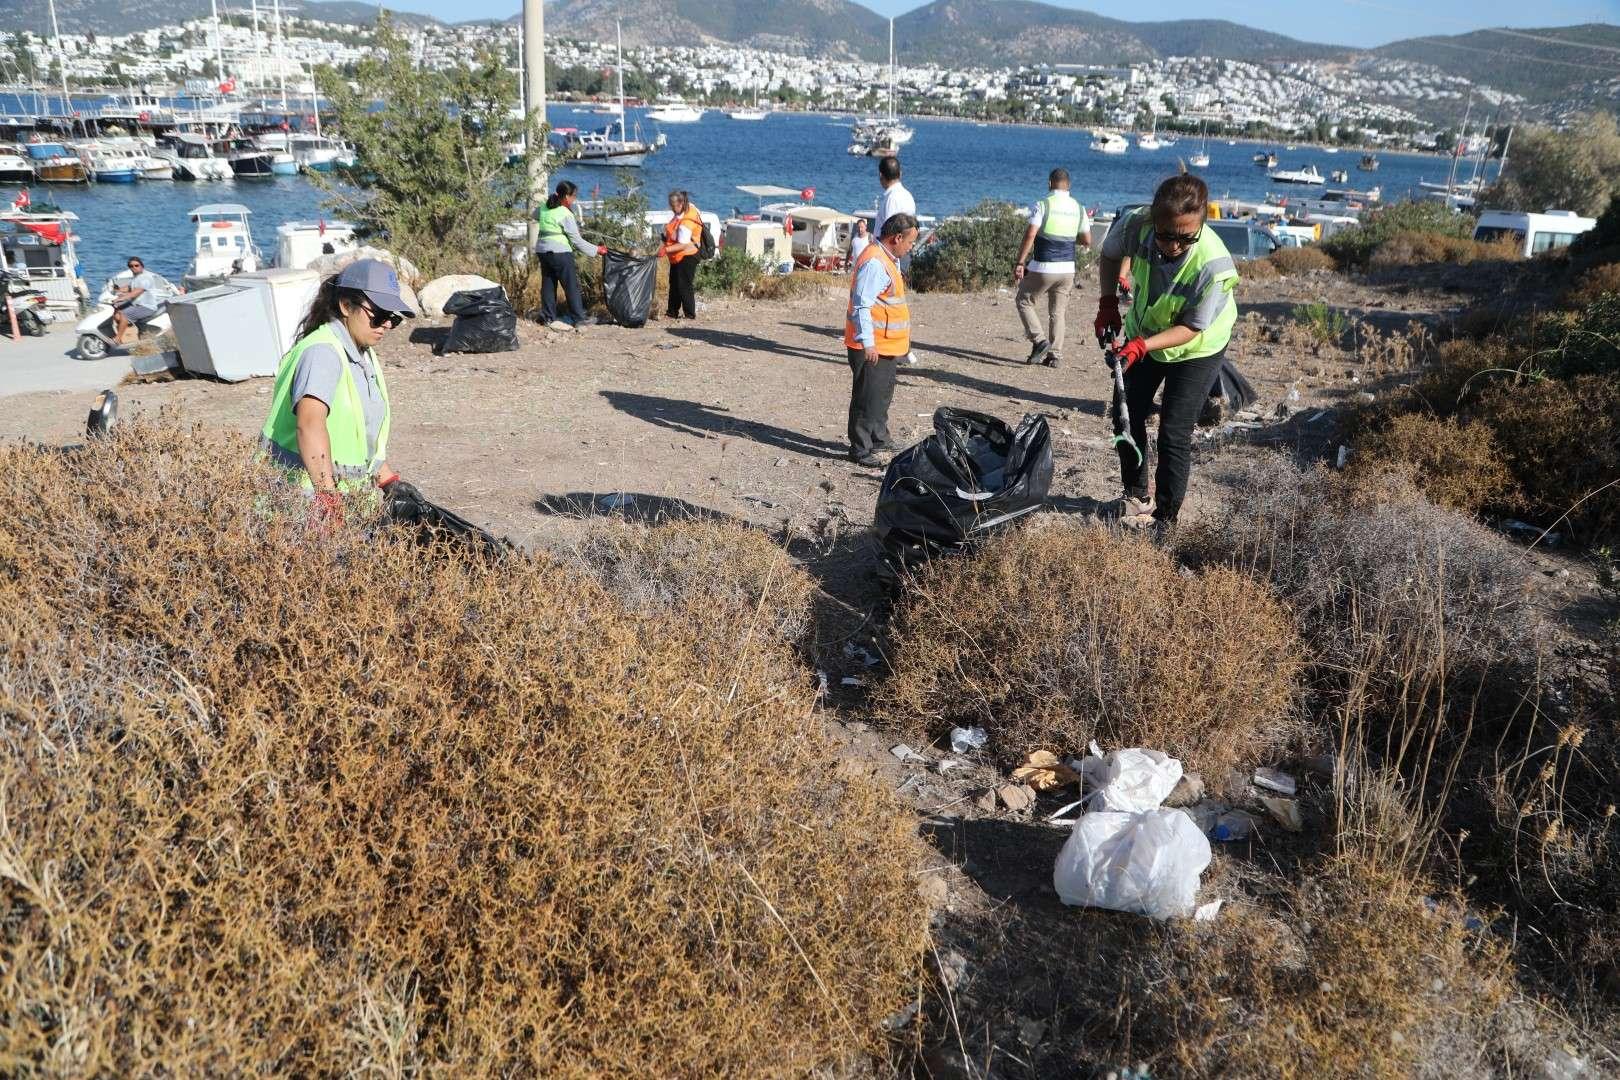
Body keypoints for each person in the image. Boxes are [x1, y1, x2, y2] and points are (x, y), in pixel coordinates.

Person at [1095, 173, 1238, 532]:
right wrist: (1107, 303)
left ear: (1201, 224)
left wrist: (1141, 346)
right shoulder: (1136, 225)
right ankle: (1136, 495)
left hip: (1198, 347)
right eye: (1166, 235)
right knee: (1126, 414)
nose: (1174, 245)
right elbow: (1110, 255)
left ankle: (1166, 519)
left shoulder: (1214, 265)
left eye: (1186, 237)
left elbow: (1192, 327)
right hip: (1146, 331)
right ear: (1153, 219)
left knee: (1174, 431)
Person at [259, 259, 416, 527]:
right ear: (345, 305)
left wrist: (388, 480)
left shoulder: (361, 355)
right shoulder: (323, 353)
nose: (386, 325)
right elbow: (309, 425)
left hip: (342, 506)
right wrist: (328, 500)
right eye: (379, 315)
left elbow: (357, 437)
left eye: (393, 318)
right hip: (300, 509)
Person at [842, 212, 919, 467]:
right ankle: (860, 449)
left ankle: (879, 437)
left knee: (881, 394)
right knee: (867, 397)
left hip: (885, 344)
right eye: (910, 242)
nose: (911, 247)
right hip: (872, 345)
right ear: (897, 238)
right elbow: (861, 306)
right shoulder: (875, 262)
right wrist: (868, 343)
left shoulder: (886, 258)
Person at [1013, 168, 1091, 367]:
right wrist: (1068, 238)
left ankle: (1039, 341)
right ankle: (1055, 355)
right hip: (1067, 270)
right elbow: (1086, 240)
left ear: (1049, 183)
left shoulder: (1043, 205)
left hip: (1044, 266)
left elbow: (1031, 234)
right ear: (1069, 185)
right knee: (1058, 312)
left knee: (1024, 300)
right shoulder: (1079, 208)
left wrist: (1020, 262)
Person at [536, 180, 606, 327]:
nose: (575, 199)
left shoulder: (543, 207)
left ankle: (548, 317)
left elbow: (534, 215)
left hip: (542, 251)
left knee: (548, 284)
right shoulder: (565, 213)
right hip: (560, 252)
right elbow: (577, 241)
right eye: (574, 196)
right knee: (571, 285)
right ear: (567, 196)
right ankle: (579, 319)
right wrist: (597, 250)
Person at [658, 190, 703, 320]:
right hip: (678, 256)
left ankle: (689, 314)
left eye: (673, 205)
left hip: (687, 255)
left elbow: (683, 244)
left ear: (681, 203)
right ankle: (672, 312)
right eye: (670, 205)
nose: (671, 208)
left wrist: (666, 249)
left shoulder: (686, 222)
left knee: (684, 285)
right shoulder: (686, 210)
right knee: (674, 284)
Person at [873, 155, 916, 271]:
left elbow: (889, 235)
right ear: (900, 174)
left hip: (891, 258)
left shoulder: (891, 198)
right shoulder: (908, 196)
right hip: (903, 253)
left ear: (881, 175)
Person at [111, 256, 165, 344]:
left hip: (146, 307)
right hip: (137, 305)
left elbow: (136, 292)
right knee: (116, 311)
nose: (134, 268)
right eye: (131, 266)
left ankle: (117, 338)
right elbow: (129, 288)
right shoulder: (136, 277)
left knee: (124, 314)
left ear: (142, 266)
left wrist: (120, 298)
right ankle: (126, 333)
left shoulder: (145, 277)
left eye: (136, 265)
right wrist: (116, 290)